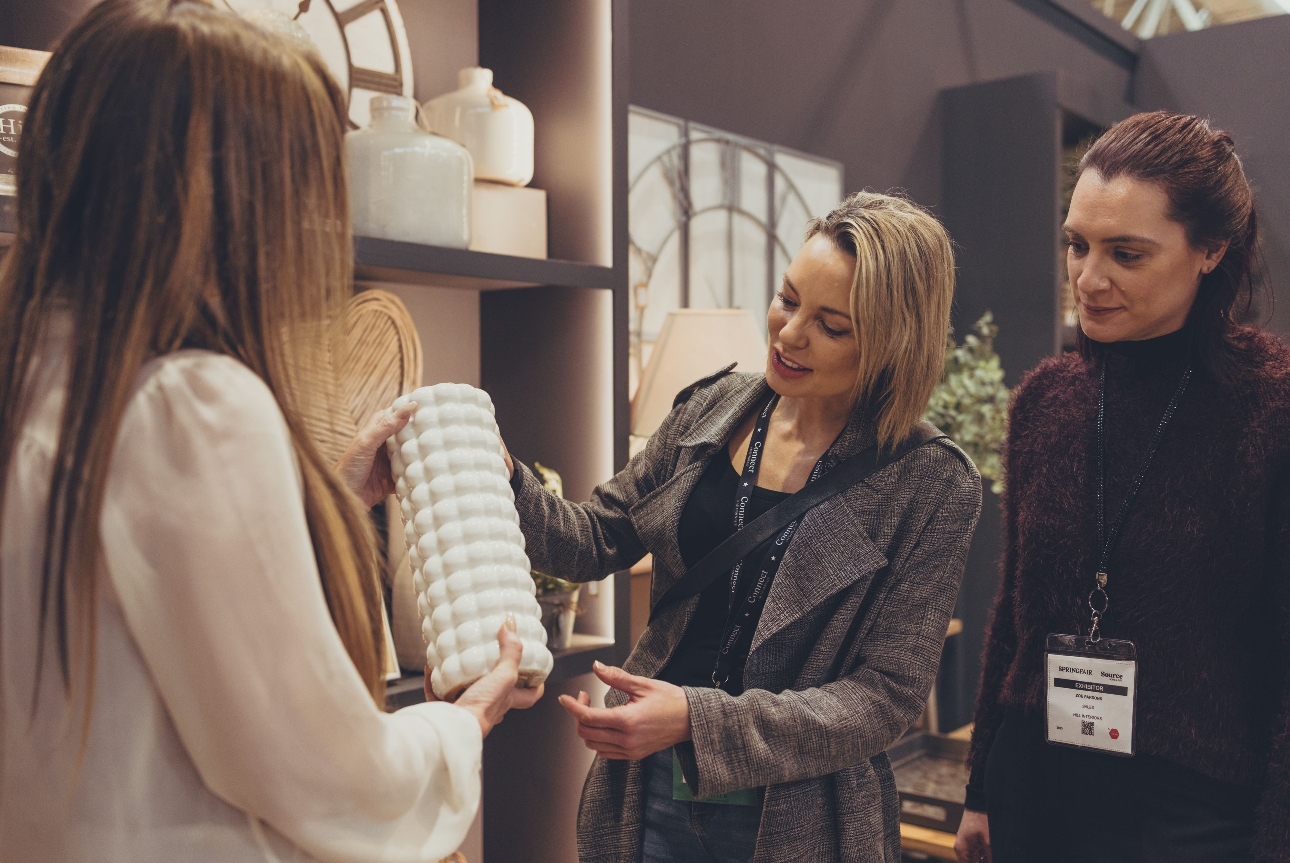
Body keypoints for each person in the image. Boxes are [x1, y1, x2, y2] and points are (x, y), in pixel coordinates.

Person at [0, 3, 539, 861]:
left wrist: (324, 487)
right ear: (227, 196)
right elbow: (319, 765)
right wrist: (459, 726)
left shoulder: (40, 373)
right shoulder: (195, 405)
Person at [500, 191, 983, 863]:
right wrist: (500, 474)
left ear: (892, 342)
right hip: (648, 792)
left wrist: (698, 720)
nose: (789, 334)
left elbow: (883, 700)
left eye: (831, 325)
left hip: (799, 818)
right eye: (788, 299)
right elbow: (594, 537)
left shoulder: (930, 482)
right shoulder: (711, 409)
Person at [954, 111, 1290, 863]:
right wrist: (980, 786)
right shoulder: (1045, 399)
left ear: (1211, 251)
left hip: (1192, 815)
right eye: (1077, 244)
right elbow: (1015, 611)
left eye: (1126, 254)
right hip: (1035, 793)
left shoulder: (1272, 407)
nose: (1088, 278)